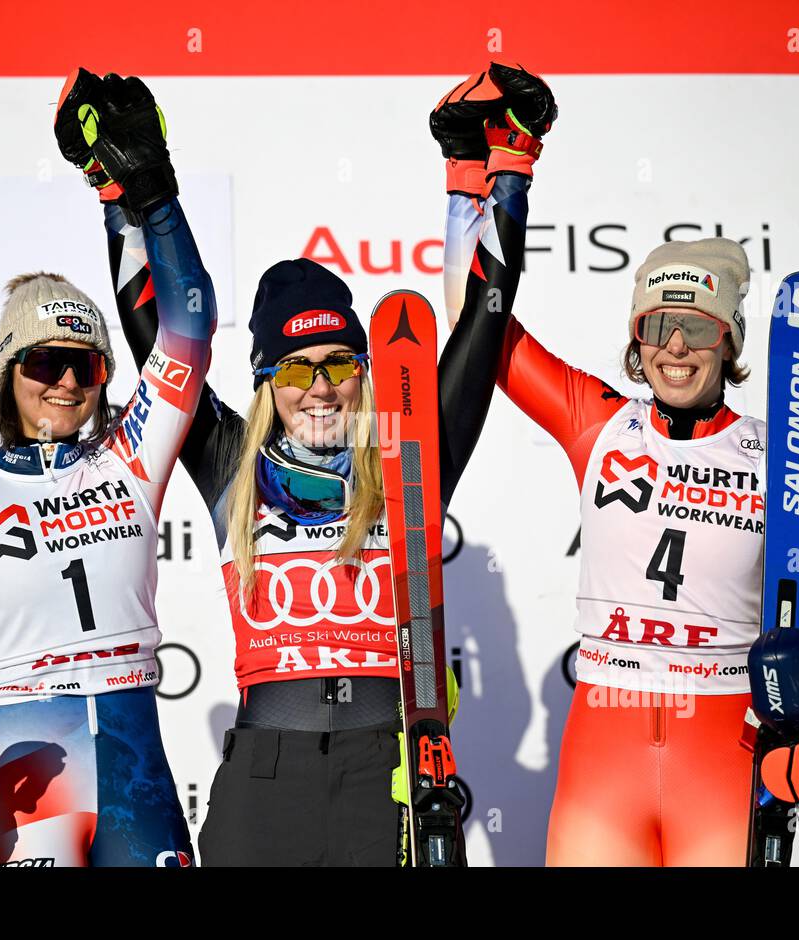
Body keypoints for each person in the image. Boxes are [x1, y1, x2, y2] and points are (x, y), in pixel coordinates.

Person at [54, 63, 554, 865]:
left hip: (386, 771)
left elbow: (481, 330)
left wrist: (503, 173)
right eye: (294, 369)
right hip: (265, 777)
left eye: (338, 362)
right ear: (264, 382)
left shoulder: (406, 453)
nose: (320, 387)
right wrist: (127, 196)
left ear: (364, 367)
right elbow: (159, 334)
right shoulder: (230, 461)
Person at [442, 190, 799, 864]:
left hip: (726, 759)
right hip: (602, 766)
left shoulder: (784, 459)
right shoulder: (599, 421)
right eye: (657, 325)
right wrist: (479, 186)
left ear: (728, 338)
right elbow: (481, 331)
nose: (676, 346)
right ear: (637, 337)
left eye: (699, 329)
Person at [0, 100, 217, 865]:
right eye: (43, 363)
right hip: (22, 774)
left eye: (84, 364)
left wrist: (145, 194)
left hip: (137, 775)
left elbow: (188, 322)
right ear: (7, 375)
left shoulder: (128, 453)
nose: (64, 382)